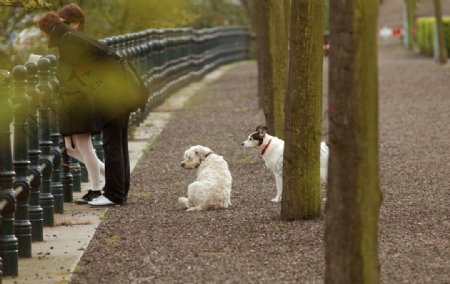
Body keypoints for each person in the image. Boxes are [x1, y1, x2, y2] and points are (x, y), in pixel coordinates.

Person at [38, 12, 138, 206]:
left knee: (112, 144)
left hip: (112, 92)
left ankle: (114, 195)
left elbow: (68, 73)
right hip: (119, 86)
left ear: (47, 31)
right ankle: (119, 191)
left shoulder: (68, 41)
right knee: (118, 142)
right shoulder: (73, 36)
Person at [55, 4, 104, 204]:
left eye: (65, 23)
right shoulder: (68, 41)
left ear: (76, 23)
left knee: (84, 145)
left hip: (81, 97)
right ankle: (110, 176)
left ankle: (96, 189)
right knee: (70, 148)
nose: (62, 27)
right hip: (71, 97)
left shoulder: (77, 42)